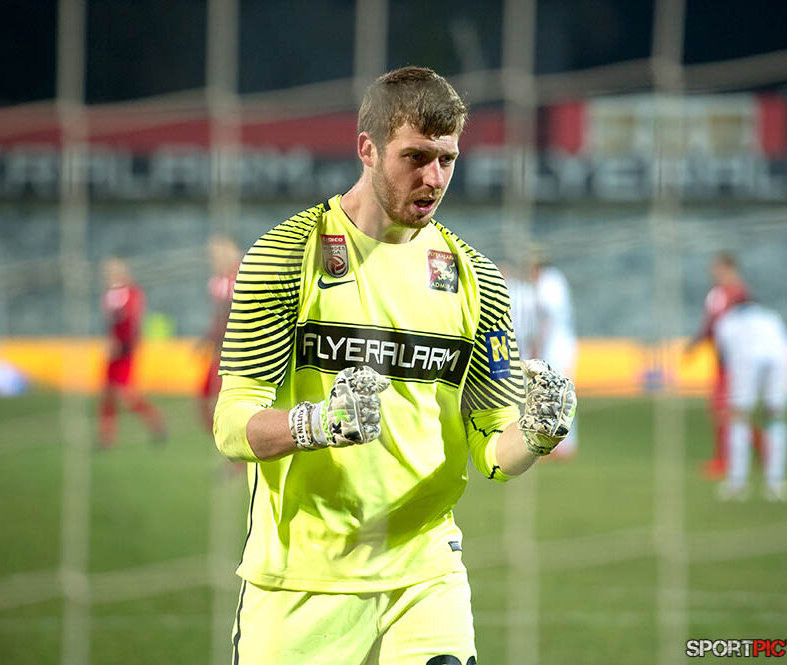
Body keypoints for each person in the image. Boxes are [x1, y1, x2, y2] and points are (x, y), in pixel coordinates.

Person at [213, 66, 577, 665]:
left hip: (426, 573)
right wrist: (317, 423)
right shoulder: (287, 254)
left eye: (447, 159)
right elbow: (231, 427)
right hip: (303, 577)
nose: (434, 178)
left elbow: (492, 452)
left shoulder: (480, 280)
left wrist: (535, 435)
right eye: (415, 157)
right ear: (367, 148)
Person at [685, 252, 751, 479]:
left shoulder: (740, 294)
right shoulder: (718, 294)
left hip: (737, 358)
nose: (713, 272)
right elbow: (710, 323)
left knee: (724, 408)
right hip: (723, 358)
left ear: (729, 268)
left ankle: (726, 460)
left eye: (718, 268)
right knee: (725, 408)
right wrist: (697, 343)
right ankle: (760, 449)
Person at [714, 298, 787, 501]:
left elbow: (723, 357)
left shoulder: (727, 321)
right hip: (778, 360)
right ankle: (775, 482)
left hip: (746, 361)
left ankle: (737, 483)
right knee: (775, 418)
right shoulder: (771, 317)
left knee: (739, 418)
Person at [98, 257, 166, 448]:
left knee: (125, 393)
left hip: (126, 349)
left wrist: (124, 345)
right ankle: (106, 436)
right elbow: (110, 324)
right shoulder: (109, 294)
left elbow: (134, 322)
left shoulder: (131, 292)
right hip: (114, 351)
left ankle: (154, 418)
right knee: (108, 393)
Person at [530, 254, 579, 458]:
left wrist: (536, 347)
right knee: (560, 395)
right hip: (561, 343)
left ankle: (561, 445)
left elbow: (547, 320)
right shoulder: (555, 279)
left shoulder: (547, 282)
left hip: (555, 346)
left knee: (555, 395)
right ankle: (560, 444)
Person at [197, 234, 241, 433]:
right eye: (212, 255)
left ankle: (233, 444)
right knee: (205, 396)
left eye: (218, 253)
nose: (214, 259)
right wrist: (207, 338)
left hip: (237, 350)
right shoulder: (216, 282)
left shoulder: (242, 276)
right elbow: (218, 317)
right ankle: (221, 440)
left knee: (223, 399)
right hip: (220, 350)